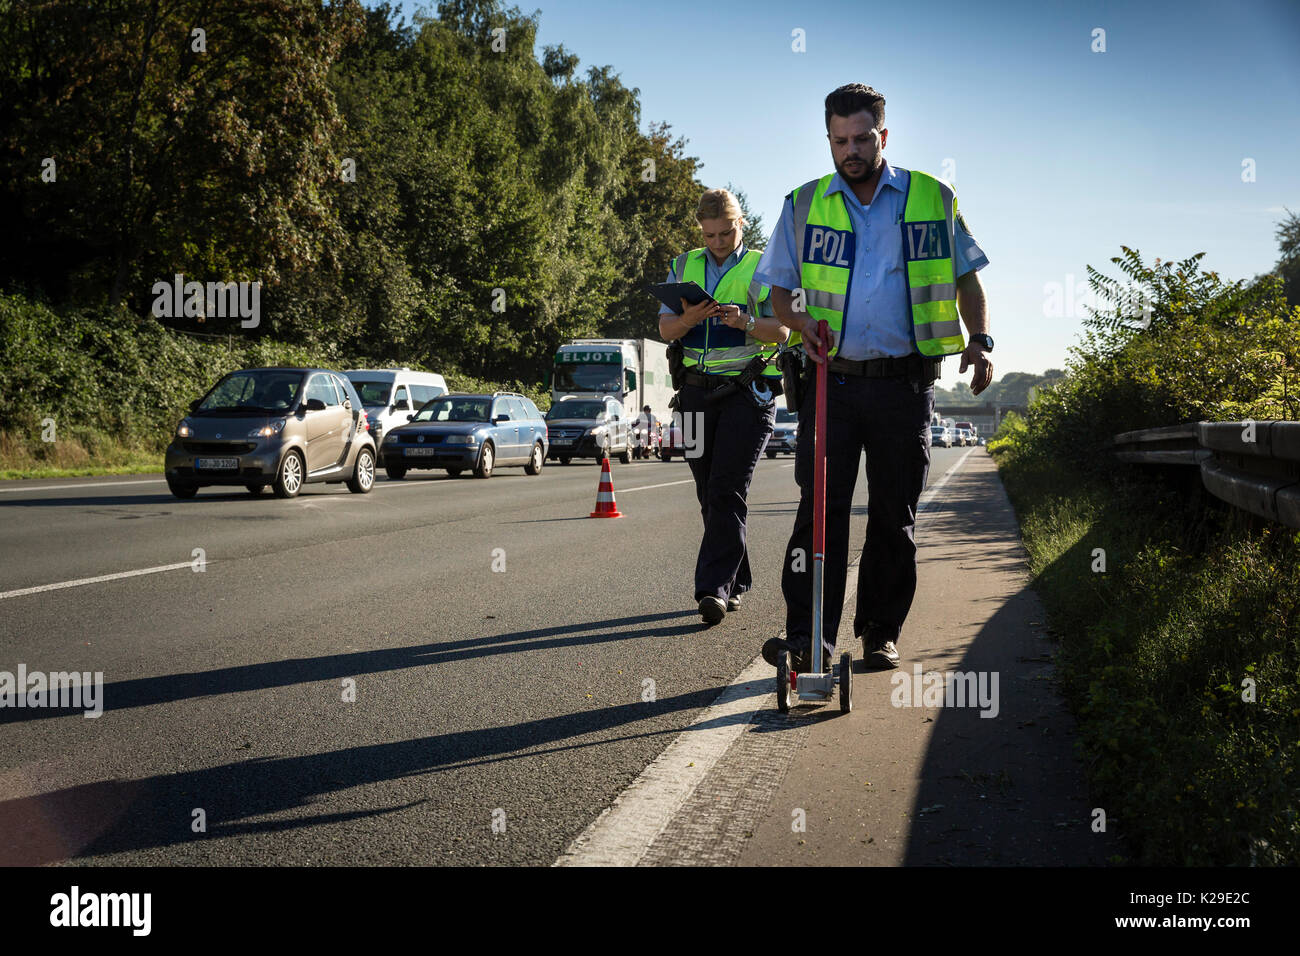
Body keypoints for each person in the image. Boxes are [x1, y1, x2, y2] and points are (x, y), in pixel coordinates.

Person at [757, 84, 993, 672]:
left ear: (883, 135)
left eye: (862, 138)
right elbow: (779, 294)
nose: (851, 150)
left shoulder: (932, 197)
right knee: (819, 513)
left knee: (894, 515)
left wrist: (981, 340)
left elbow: (966, 279)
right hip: (829, 383)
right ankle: (809, 637)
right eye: (840, 141)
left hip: (903, 386)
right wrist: (799, 320)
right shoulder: (804, 204)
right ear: (829, 139)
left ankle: (879, 632)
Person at [659, 188, 790, 625]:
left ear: (740, 225)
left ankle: (712, 589)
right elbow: (665, 329)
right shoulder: (683, 265)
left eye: (726, 232)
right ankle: (736, 578)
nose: (717, 241)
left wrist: (747, 321)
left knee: (726, 488)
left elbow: (784, 332)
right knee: (708, 492)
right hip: (694, 393)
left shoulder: (761, 266)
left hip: (745, 395)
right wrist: (690, 320)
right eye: (709, 233)